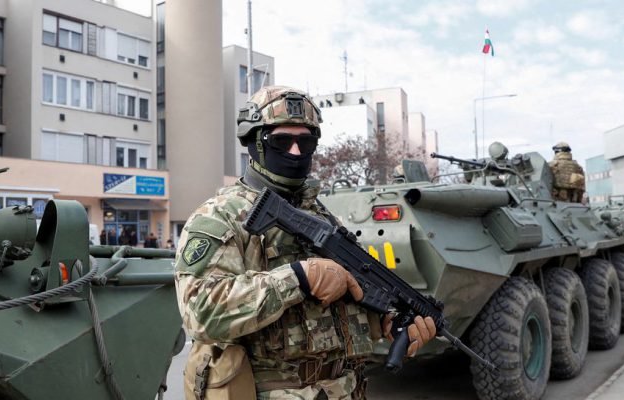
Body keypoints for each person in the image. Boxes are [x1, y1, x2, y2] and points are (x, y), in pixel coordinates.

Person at [175, 86, 435, 400]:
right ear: (255, 142)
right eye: (282, 141)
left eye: (306, 141)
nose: (296, 152)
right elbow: (200, 313)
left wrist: (388, 325)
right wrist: (299, 277)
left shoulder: (321, 215)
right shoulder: (220, 217)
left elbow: (339, 303)